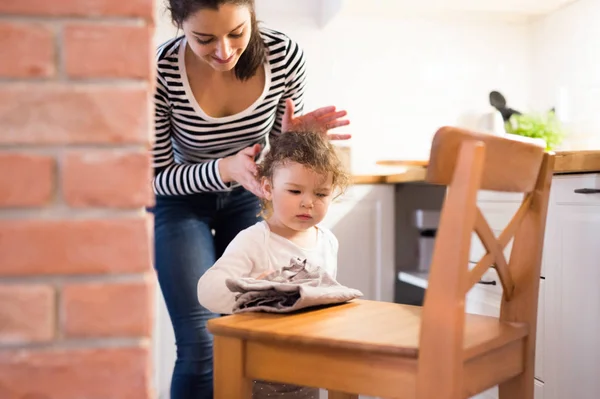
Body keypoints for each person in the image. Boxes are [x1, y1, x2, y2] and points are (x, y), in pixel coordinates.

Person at [150, 0, 351, 398]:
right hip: (181, 202)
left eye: (237, 33)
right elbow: (154, 178)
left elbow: (278, 167)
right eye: (204, 39)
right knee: (200, 342)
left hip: (249, 196)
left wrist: (290, 140)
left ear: (252, 15)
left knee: (257, 333)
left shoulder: (283, 55)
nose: (223, 51)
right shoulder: (162, 71)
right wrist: (224, 169)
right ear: (178, 24)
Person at [197, 130, 349, 398]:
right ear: (268, 188)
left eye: (321, 194)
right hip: (260, 370)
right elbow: (207, 290)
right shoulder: (255, 240)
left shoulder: (327, 241)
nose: (307, 202)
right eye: (294, 190)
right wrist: (254, 290)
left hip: (307, 366)